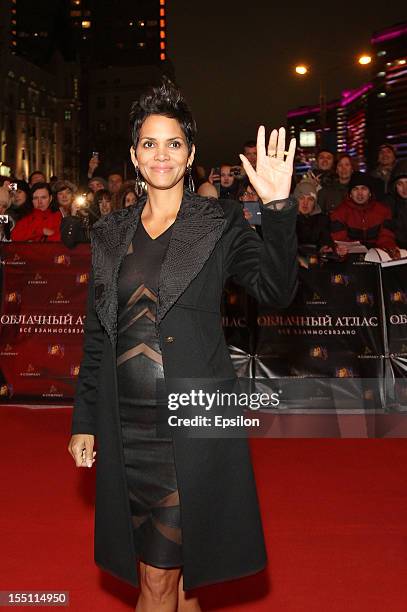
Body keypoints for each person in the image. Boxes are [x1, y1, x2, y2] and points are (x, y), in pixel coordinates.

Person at [67, 81, 298, 612]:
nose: (161, 154)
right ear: (133, 155)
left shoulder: (219, 223)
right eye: (149, 143)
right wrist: (84, 419)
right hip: (126, 425)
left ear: (191, 155)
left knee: (159, 579)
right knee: (178, 576)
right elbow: (98, 335)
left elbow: (278, 292)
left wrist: (280, 207)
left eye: (173, 143)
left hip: (193, 420)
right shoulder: (108, 233)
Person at [330, 171, 399, 257]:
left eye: (364, 188)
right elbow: (340, 239)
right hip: (350, 256)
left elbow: (386, 236)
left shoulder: (383, 210)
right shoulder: (339, 213)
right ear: (350, 194)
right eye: (355, 189)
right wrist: (341, 250)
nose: (360, 193)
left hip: (377, 254)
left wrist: (389, 248)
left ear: (370, 193)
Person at [294, 180, 334, 252]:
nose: (305, 203)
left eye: (310, 199)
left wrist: (324, 248)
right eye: (301, 198)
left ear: (315, 203)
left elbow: (326, 239)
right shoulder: (287, 220)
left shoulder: (322, 219)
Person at [385, 160, 407, 249]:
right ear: (394, 186)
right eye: (400, 184)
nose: (405, 188)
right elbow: (385, 232)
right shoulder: (389, 205)